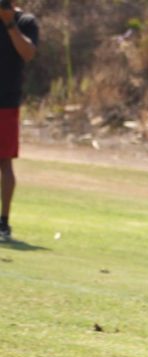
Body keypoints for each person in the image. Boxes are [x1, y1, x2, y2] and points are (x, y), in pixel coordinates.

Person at [0, 1, 38, 242]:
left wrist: (10, 24)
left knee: (5, 163)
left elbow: (28, 53)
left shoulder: (25, 22)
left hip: (6, 102)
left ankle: (3, 223)